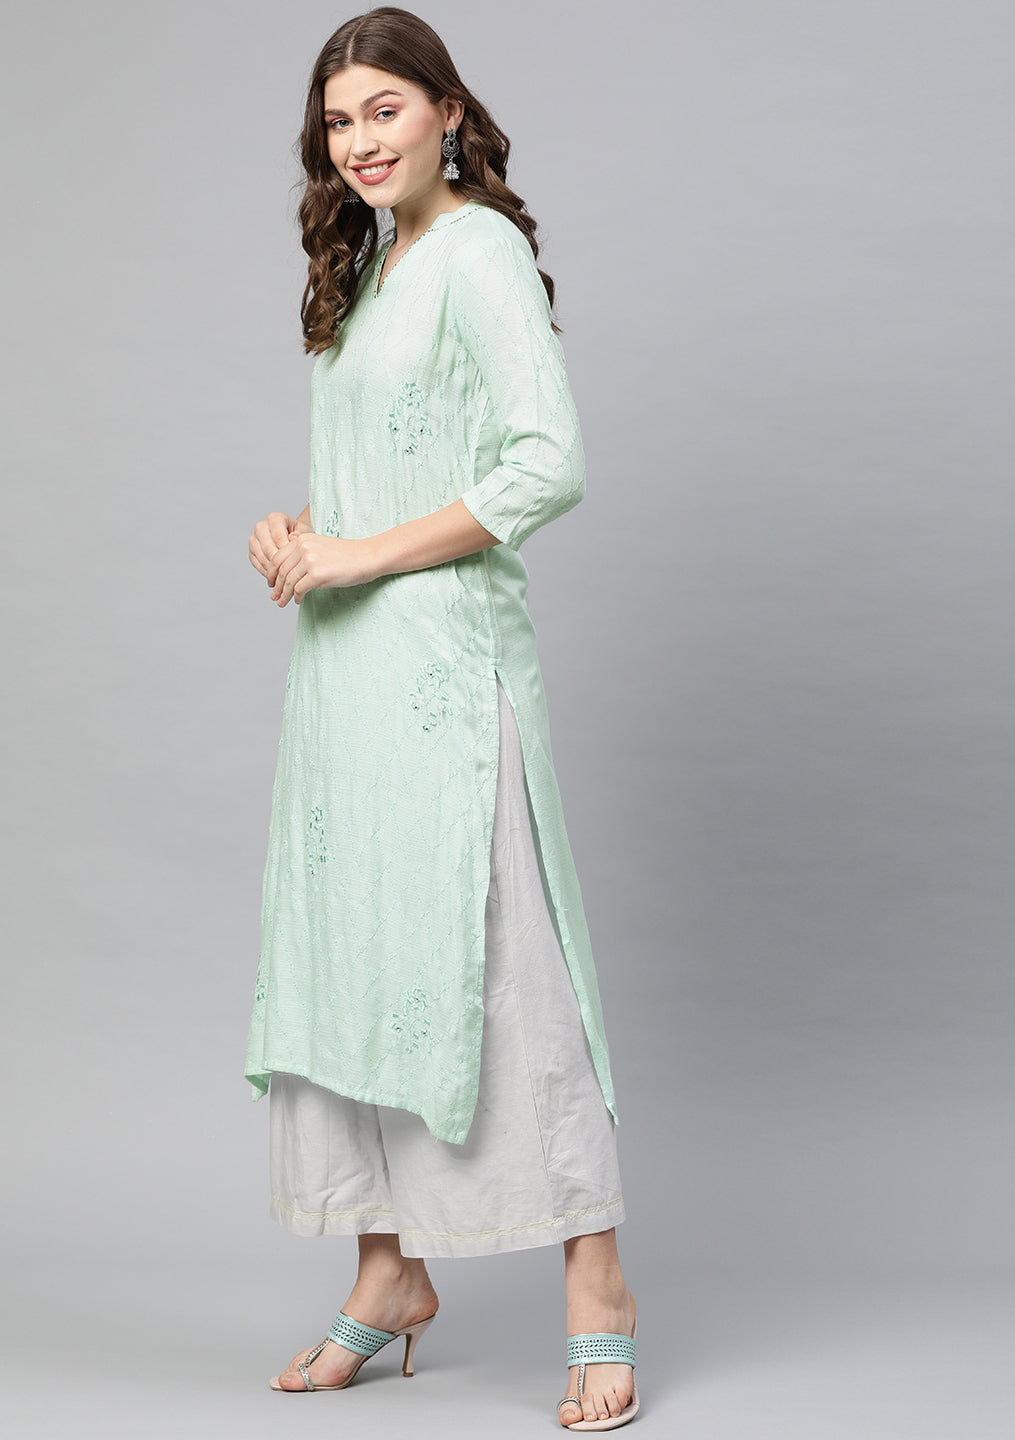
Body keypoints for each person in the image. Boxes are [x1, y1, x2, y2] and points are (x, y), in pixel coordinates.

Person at [243, 7, 638, 1428]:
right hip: (344, 678)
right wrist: (304, 532)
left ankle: (598, 1286)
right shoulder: (364, 268)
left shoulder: (476, 253)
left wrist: (356, 556)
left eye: (385, 110)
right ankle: (388, 1269)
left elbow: (548, 463)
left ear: (447, 111)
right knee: (355, 961)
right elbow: (383, 474)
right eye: (338, 121)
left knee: (503, 965)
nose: (360, 142)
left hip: (447, 676)